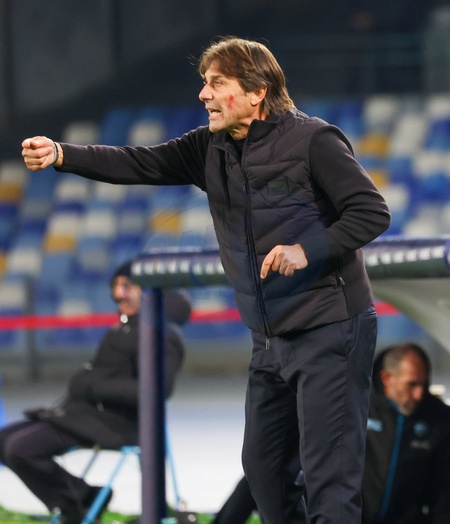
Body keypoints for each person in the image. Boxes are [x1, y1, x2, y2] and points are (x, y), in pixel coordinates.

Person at [22, 36, 391, 523]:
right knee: (264, 472)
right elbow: (138, 162)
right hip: (269, 338)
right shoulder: (209, 147)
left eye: (217, 83)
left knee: (330, 483)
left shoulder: (313, 140)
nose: (204, 94)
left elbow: (371, 211)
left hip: (330, 328)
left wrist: (307, 249)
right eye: (204, 83)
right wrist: (62, 154)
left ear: (256, 91)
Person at [0, 261, 191, 524]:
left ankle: (77, 502)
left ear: (149, 291)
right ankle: (83, 497)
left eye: (128, 286)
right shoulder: (126, 326)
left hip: (118, 423)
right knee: (3, 441)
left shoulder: (161, 335)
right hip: (86, 415)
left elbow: (157, 390)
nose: (119, 294)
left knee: (20, 449)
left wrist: (91, 385)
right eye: (116, 286)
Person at [362, 342, 450, 524]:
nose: (419, 394)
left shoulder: (439, 419)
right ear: (386, 378)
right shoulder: (357, 406)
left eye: (424, 384)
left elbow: (444, 493)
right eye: (411, 384)